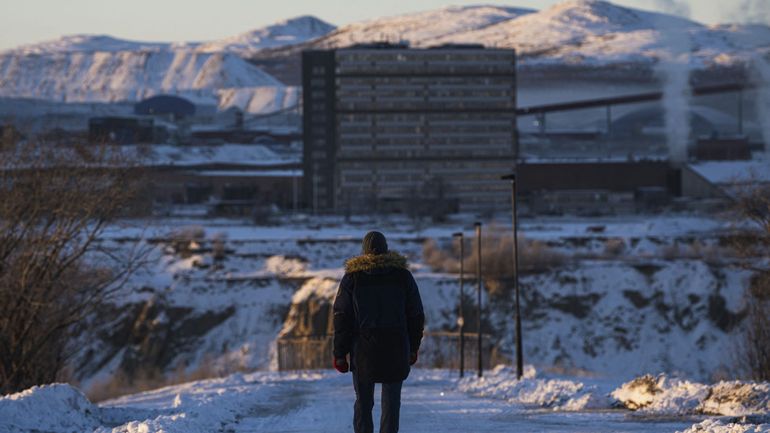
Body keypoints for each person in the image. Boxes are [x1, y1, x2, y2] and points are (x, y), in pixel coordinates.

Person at [332, 231, 425, 433]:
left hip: (363, 350)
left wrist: (340, 353)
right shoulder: (403, 276)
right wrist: (413, 347)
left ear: (364, 252)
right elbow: (416, 315)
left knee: (363, 404)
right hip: (396, 347)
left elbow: (341, 317)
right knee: (391, 405)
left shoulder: (353, 278)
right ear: (386, 249)